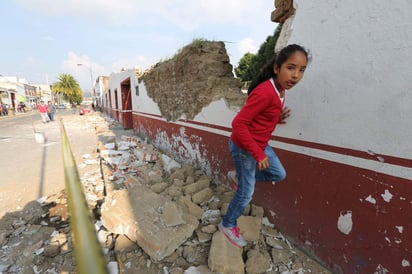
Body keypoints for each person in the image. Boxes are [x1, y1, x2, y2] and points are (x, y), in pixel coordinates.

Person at [219, 44, 310, 247]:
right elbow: (239, 125)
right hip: (245, 147)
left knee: (278, 174)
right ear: (277, 68)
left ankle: (238, 175)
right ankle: (227, 223)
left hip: (259, 144)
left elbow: (259, 117)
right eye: (291, 67)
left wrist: (274, 118)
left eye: (301, 70)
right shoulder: (265, 92)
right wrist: (258, 154)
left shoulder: (281, 88)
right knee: (246, 193)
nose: (295, 75)